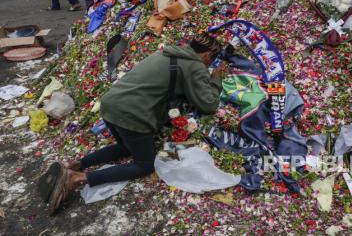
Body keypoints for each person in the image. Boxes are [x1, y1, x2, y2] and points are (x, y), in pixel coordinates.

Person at [38, 33, 225, 214]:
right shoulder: (195, 66)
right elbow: (208, 104)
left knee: (126, 146)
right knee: (145, 165)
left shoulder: (166, 53)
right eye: (211, 60)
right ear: (207, 55)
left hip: (110, 105)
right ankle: (77, 177)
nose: (209, 64)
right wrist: (216, 78)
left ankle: (76, 164)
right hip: (132, 114)